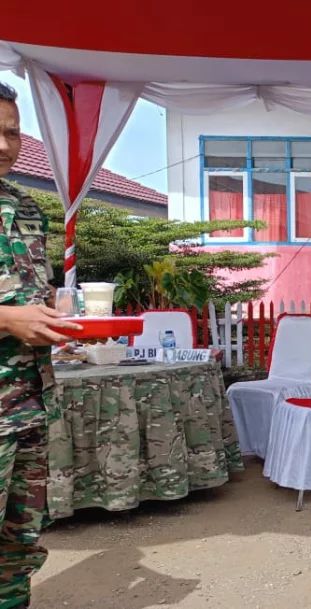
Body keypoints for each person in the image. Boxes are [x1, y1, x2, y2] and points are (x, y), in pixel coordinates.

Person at [0, 81, 82, 607]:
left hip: (29, 404)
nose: (4, 145)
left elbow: (32, 293)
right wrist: (9, 320)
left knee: (19, 541)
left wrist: (60, 316)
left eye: (12, 132)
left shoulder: (25, 206)